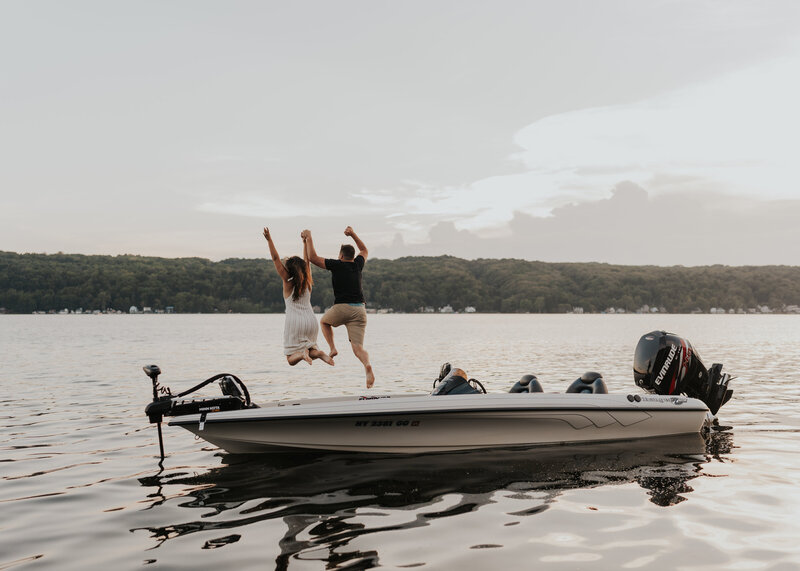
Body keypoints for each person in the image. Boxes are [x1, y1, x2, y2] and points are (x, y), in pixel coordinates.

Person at [302, 226, 374, 388]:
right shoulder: (358, 264)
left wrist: (309, 237)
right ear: (352, 256)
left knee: (324, 322)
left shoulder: (336, 264)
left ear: (341, 256)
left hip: (342, 307)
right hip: (360, 310)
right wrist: (353, 234)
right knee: (358, 348)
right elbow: (364, 249)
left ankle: (333, 348)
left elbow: (312, 257)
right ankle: (367, 365)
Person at [262, 227, 334, 367]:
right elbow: (307, 261)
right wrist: (305, 243)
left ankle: (302, 354)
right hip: (311, 322)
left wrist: (269, 240)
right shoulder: (308, 283)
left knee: (290, 359)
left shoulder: (287, 282)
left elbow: (275, 258)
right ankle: (319, 354)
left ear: (289, 270)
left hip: (295, 323)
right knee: (312, 349)